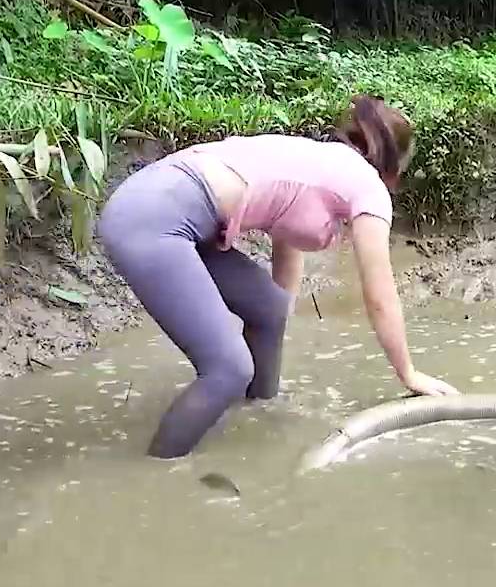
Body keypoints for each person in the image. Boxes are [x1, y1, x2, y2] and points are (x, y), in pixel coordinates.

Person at [97, 94, 460, 459]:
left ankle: (256, 411)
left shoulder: (320, 159)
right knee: (228, 369)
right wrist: (408, 373)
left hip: (156, 200)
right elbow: (380, 296)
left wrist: (276, 314)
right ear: (394, 165)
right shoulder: (368, 187)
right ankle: (156, 470)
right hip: (154, 219)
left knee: (270, 306)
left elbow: (286, 250)